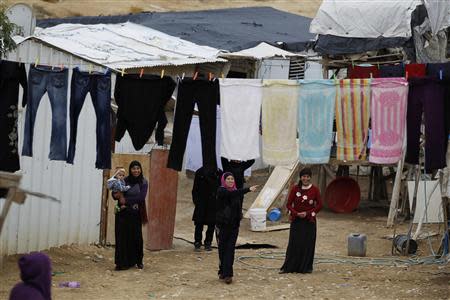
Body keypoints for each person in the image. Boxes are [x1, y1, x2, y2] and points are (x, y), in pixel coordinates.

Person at [216, 172, 258, 284]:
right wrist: (248, 189)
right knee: (222, 250)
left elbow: (238, 206)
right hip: (222, 226)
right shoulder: (221, 191)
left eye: (232, 179)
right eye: (228, 179)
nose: (230, 181)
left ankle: (228, 274)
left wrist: (239, 217)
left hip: (234, 226)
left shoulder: (236, 192)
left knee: (230, 250)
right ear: (224, 180)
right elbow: (231, 195)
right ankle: (222, 271)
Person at [280, 168, 323, 274]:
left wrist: (308, 213)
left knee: (307, 244)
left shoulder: (315, 190)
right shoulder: (295, 189)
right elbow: (289, 205)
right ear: (301, 177)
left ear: (310, 177)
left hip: (309, 221)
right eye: (304, 176)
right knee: (294, 244)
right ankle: (290, 267)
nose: (305, 178)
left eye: (308, 176)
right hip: (297, 221)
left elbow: (320, 205)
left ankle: (306, 267)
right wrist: (296, 213)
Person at [114, 160, 148, 271]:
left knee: (136, 238)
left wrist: (125, 200)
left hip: (135, 214)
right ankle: (122, 263)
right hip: (123, 214)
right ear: (130, 169)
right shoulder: (124, 180)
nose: (136, 170)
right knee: (122, 238)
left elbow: (141, 198)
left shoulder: (143, 182)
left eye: (138, 168)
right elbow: (115, 195)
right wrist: (116, 194)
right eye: (134, 168)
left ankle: (138, 261)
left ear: (140, 170)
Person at [192, 166, 222, 251]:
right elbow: (195, 189)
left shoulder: (219, 173)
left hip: (214, 203)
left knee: (211, 224)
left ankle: (208, 243)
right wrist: (196, 201)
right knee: (199, 224)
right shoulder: (200, 172)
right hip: (201, 202)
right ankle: (197, 242)